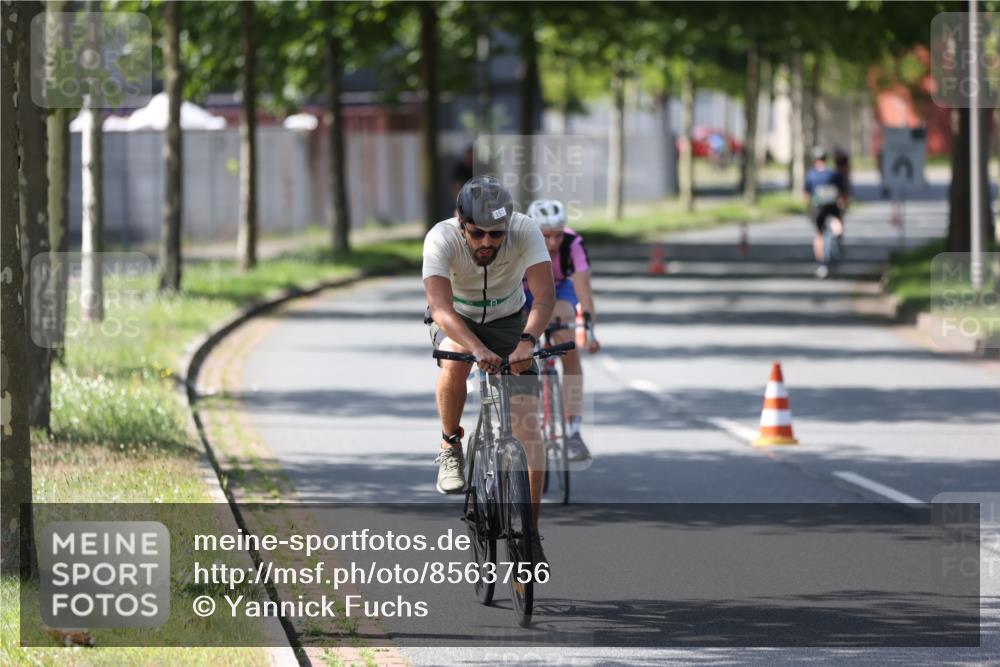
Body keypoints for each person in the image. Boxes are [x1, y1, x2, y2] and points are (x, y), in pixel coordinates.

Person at [423, 175, 554, 564]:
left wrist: (527, 342)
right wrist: (477, 348)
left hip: (509, 319)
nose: (486, 243)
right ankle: (450, 444)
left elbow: (544, 296)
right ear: (460, 222)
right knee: (453, 359)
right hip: (456, 319)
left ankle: (530, 533)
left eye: (496, 235)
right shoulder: (440, 238)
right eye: (477, 233)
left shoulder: (525, 231)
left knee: (530, 427)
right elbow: (441, 310)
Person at [523, 199, 599, 463]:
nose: (553, 243)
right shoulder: (519, 242)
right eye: (546, 236)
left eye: (557, 235)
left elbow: (584, 292)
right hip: (524, 289)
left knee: (569, 345)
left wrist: (588, 330)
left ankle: (573, 430)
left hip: (558, 290)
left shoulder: (572, 244)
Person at [804, 146, 848, 279]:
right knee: (837, 224)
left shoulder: (811, 175)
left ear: (814, 160)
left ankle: (821, 264)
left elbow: (807, 196)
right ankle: (837, 240)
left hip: (818, 208)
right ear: (825, 159)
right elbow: (843, 194)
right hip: (833, 206)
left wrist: (809, 209)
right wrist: (843, 206)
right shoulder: (834, 174)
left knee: (819, 234)